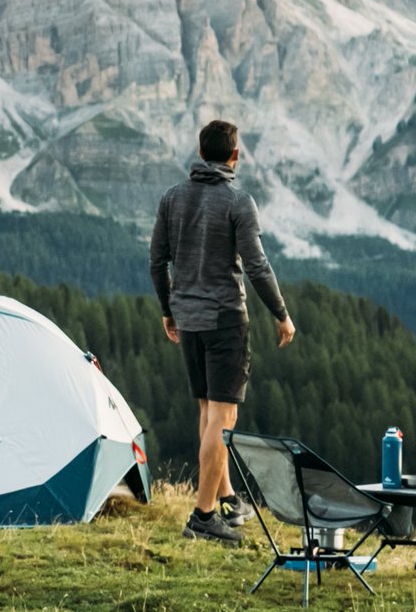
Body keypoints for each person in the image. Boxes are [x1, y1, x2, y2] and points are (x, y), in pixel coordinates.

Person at [149, 120, 296, 545]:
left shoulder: (171, 198)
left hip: (189, 320)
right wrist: (281, 314)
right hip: (226, 319)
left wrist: (168, 309)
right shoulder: (238, 201)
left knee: (208, 414)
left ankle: (227, 497)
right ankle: (203, 515)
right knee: (223, 418)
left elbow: (157, 262)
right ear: (234, 157)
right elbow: (257, 266)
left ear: (201, 151)